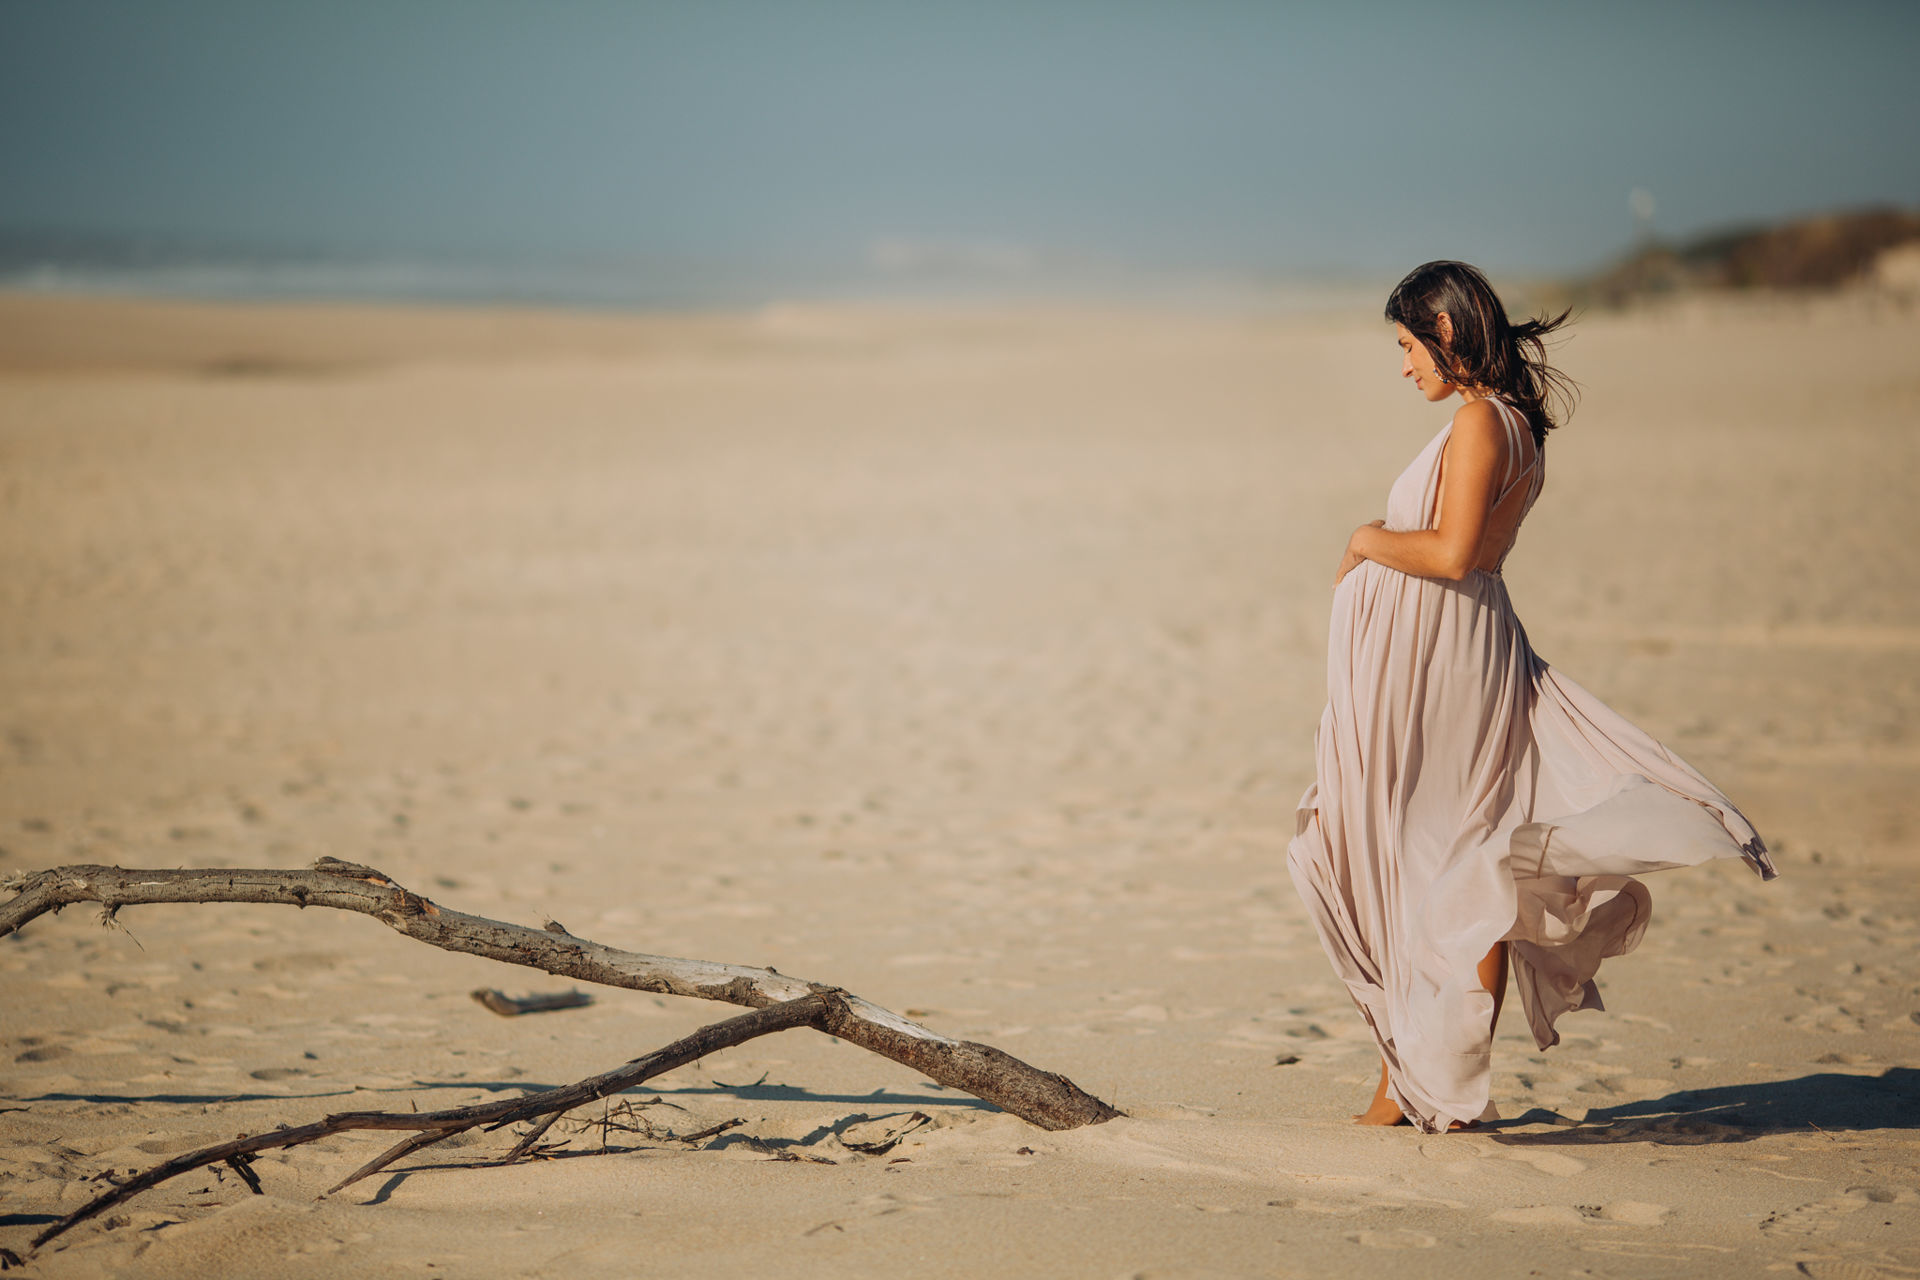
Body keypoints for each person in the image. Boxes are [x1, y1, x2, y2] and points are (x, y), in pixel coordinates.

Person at [1287, 261, 1776, 1133]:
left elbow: (1453, 554)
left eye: (1407, 346)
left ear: (1445, 331)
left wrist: (1365, 537)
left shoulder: (1482, 423)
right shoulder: (1514, 423)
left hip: (1445, 659)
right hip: (1445, 652)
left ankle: (1427, 1087)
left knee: (1440, 859)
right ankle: (1420, 1081)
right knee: (1447, 862)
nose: (1403, 368)